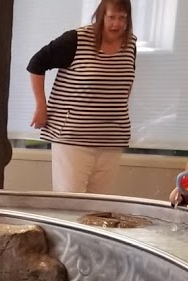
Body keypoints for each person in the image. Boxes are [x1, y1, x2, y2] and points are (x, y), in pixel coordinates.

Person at [27, 1, 137, 195]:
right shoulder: (76, 40)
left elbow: (126, 82)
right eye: (111, 17)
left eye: (122, 18)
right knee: (70, 200)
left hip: (111, 136)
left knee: (101, 202)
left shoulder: (130, 44)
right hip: (73, 136)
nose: (116, 24)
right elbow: (36, 64)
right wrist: (41, 106)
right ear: (101, 16)